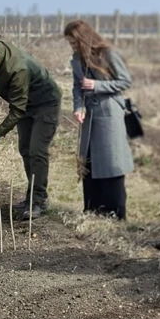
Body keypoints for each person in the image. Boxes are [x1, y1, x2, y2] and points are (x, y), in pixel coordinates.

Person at [0, 38, 61, 218]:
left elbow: (18, 110)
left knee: (37, 151)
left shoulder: (18, 68)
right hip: (24, 102)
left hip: (45, 102)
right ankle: (34, 197)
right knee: (25, 149)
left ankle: (38, 201)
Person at [65, 19, 134, 220]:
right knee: (89, 162)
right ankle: (92, 210)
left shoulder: (108, 54)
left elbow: (125, 81)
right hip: (89, 117)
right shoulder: (77, 59)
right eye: (70, 43)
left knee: (111, 162)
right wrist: (78, 106)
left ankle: (114, 212)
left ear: (84, 39)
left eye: (74, 42)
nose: (72, 46)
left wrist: (97, 85)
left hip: (109, 115)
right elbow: (77, 86)